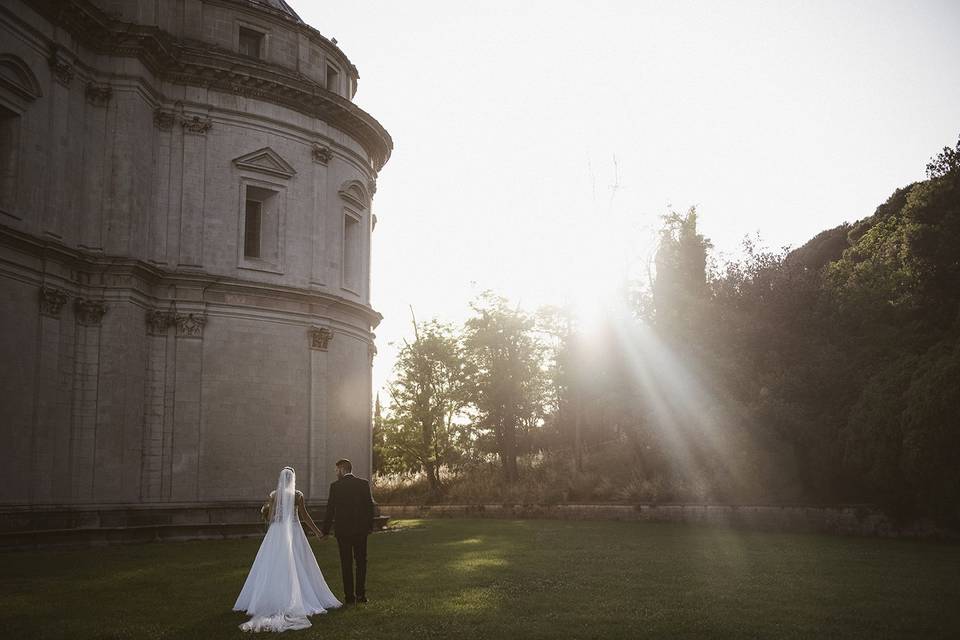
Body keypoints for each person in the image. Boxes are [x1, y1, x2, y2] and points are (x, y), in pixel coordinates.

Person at [234, 467, 341, 632]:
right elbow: (304, 516)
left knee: (272, 563)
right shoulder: (298, 495)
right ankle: (301, 597)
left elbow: (271, 518)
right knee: (300, 563)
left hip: (277, 531)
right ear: (293, 479)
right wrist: (318, 532)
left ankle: (266, 598)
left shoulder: (274, 495)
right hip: (294, 531)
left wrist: (266, 513)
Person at [320, 458, 375, 604]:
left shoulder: (336, 486)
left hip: (343, 531)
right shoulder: (363, 484)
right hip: (360, 530)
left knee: (346, 563)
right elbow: (370, 506)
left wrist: (325, 531)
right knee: (361, 562)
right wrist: (369, 526)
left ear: (343, 469)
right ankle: (361, 595)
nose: (336, 473)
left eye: (337, 470)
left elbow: (330, 510)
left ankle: (349, 597)